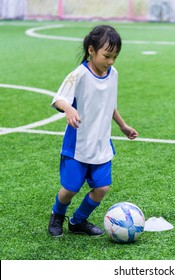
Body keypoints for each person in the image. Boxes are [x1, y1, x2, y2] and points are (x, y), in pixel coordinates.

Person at [48, 25, 138, 237]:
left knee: (102, 188)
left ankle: (78, 221)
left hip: (101, 143)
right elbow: (59, 98)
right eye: (107, 56)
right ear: (91, 50)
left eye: (115, 56)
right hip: (78, 144)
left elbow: (109, 104)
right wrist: (69, 108)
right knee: (70, 189)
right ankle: (57, 215)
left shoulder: (112, 74)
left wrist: (123, 126)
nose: (111, 61)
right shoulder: (79, 74)